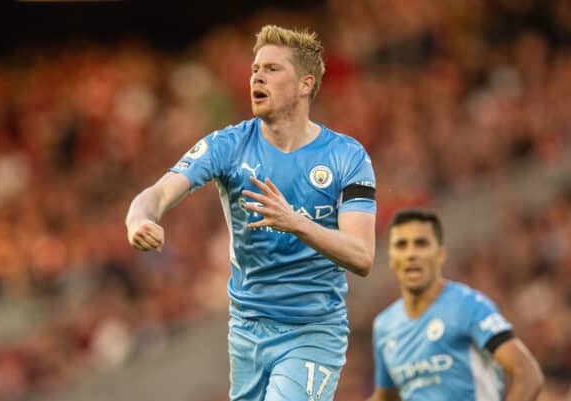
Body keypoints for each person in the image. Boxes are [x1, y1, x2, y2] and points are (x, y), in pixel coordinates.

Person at [126, 25, 377, 401]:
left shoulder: (347, 156)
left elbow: (362, 256)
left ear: (305, 84)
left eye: (273, 69)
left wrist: (296, 223)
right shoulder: (229, 145)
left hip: (313, 330)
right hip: (247, 330)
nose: (257, 76)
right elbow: (159, 191)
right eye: (255, 68)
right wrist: (139, 218)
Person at [368, 208, 544, 401]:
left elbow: (528, 374)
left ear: (441, 254)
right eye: (401, 245)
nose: (411, 254)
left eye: (421, 244)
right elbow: (386, 397)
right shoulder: (384, 326)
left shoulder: (468, 306)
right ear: (391, 258)